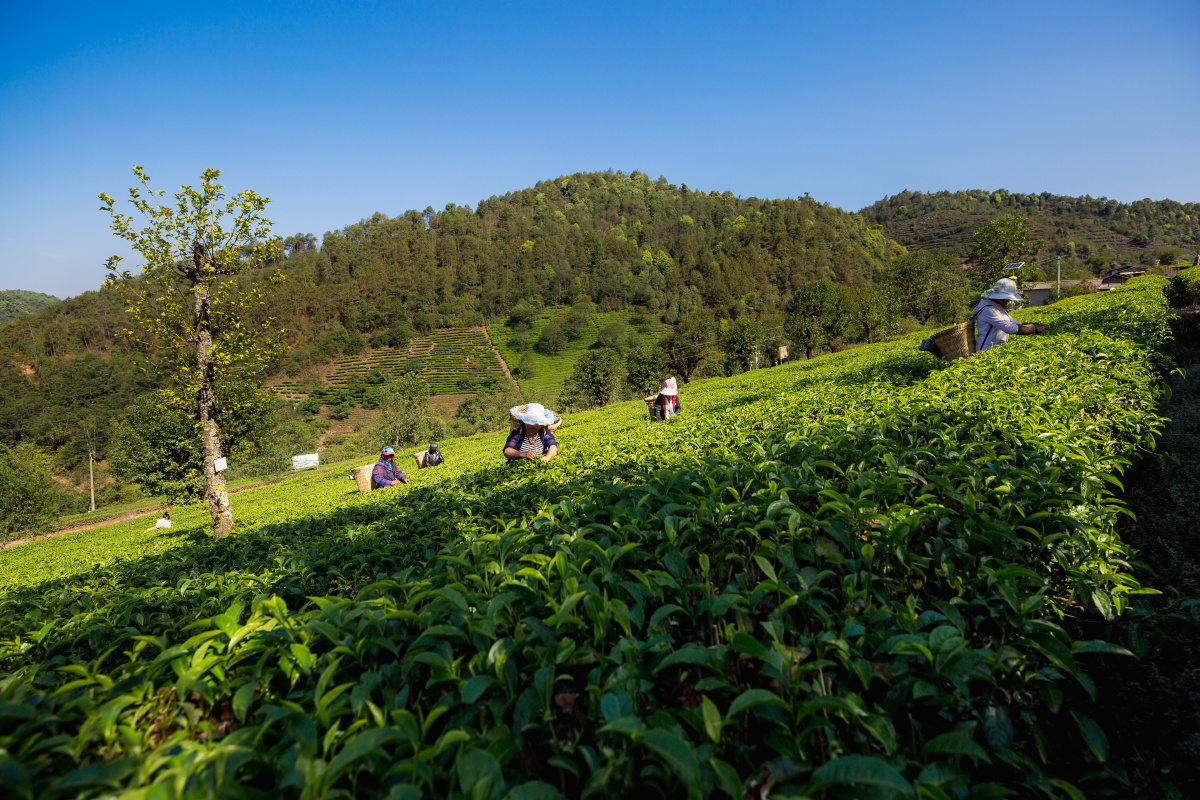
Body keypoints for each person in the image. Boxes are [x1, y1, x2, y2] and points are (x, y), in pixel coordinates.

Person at [973, 278, 1048, 352]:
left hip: (996, 349)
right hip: (986, 350)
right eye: (1007, 298)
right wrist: (1034, 329)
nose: (1009, 300)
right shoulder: (989, 309)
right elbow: (1008, 328)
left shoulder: (998, 307)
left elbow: (1013, 322)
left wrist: (1036, 325)